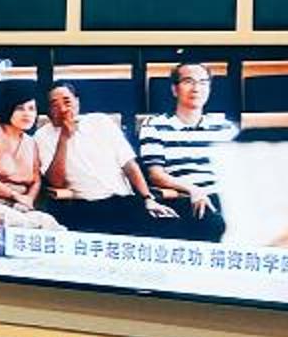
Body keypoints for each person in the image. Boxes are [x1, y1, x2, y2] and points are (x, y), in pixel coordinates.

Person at [37, 85, 179, 234]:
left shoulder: (101, 121)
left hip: (124, 201)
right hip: (85, 206)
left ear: (77, 102)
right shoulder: (42, 136)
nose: (63, 109)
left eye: (67, 102)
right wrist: (64, 139)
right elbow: (57, 182)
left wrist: (147, 199)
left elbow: (129, 164)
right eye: (55, 105)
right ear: (48, 111)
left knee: (168, 228)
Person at [139, 61, 238, 243]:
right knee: (213, 224)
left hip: (224, 198)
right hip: (183, 197)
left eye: (203, 82)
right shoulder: (155, 125)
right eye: (188, 81)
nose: (196, 88)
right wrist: (194, 190)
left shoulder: (225, 128)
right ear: (175, 90)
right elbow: (155, 175)